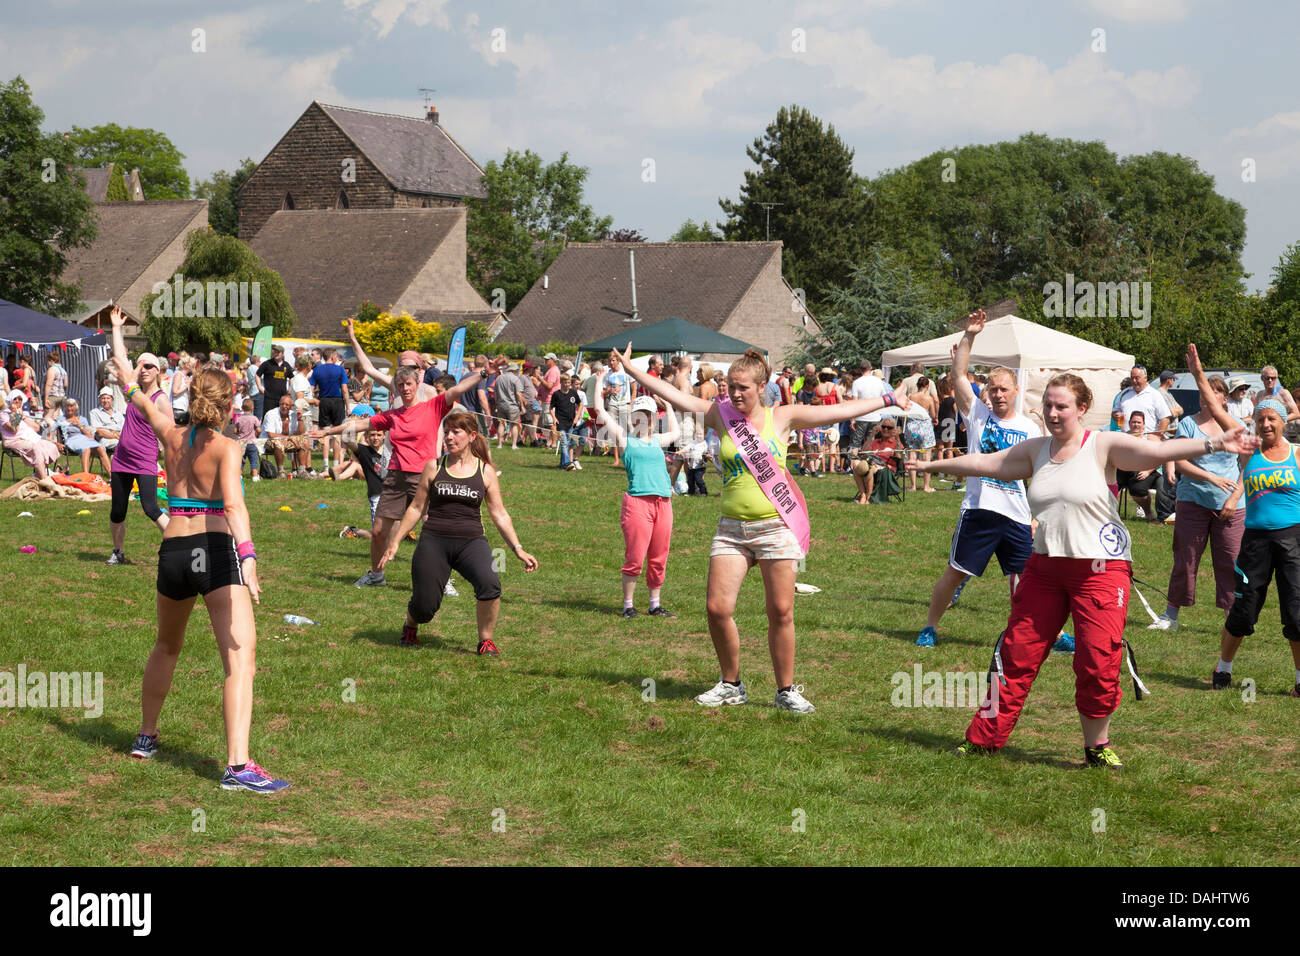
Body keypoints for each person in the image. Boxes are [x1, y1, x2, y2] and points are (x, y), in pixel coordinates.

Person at [908, 362, 1256, 766]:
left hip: (1101, 571)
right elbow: (987, 464)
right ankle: (983, 738)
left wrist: (1215, 444)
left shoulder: (1102, 445)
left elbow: (1160, 450)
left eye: (1062, 407)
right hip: (1044, 568)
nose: (1054, 414)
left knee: (1096, 660)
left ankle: (1097, 747)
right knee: (1016, 654)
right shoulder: (1036, 450)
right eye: (1049, 406)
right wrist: (930, 466)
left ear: (1082, 408)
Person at [618, 343, 910, 714]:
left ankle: (785, 690)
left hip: (776, 528)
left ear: (762, 387)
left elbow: (839, 410)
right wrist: (633, 371)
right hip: (731, 529)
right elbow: (675, 395)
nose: (734, 394)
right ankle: (731, 684)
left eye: (743, 388)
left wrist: (888, 397)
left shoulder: (783, 416)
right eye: (730, 386)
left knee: (781, 611)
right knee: (716, 608)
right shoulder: (721, 415)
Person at [108, 349, 289, 792]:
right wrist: (247, 557)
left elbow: (134, 392)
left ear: (192, 397)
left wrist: (116, 337)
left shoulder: (171, 435)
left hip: (173, 551)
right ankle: (238, 766)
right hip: (212, 550)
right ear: (228, 406)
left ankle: (145, 736)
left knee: (167, 646)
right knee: (239, 658)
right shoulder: (228, 447)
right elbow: (232, 505)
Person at [915, 310, 1042, 648]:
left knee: (1027, 579)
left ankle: (1046, 633)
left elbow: (1039, 477)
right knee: (956, 572)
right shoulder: (977, 415)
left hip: (1016, 514)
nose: (998, 394)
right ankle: (929, 627)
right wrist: (971, 335)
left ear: (1016, 391)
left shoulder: (1030, 429)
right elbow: (958, 376)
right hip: (980, 509)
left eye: (1004, 389)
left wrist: (1036, 517)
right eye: (993, 389)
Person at [312, 358, 487, 588]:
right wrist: (328, 432)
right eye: (401, 384)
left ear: (417, 385)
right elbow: (359, 426)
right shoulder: (392, 415)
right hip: (395, 477)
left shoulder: (432, 406)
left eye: (408, 384)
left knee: (434, 530)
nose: (405, 388)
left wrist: (483, 373)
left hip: (423, 476)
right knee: (378, 532)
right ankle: (376, 575)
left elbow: (459, 388)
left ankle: (443, 581)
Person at [1187, 347, 1300, 695]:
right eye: (1261, 418)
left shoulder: (1297, 454)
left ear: (1283, 422)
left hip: (1293, 539)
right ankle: (1223, 668)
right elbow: (1219, 412)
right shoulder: (1249, 447)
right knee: (1243, 611)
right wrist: (1198, 376)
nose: (1266, 423)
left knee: (1296, 612)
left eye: (1272, 419)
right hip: (1255, 541)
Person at [380, 411, 538, 652]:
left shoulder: (485, 471)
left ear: (472, 435)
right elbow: (416, 507)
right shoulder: (434, 466)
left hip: (471, 542)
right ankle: (411, 624)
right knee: (425, 607)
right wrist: (395, 542)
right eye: (447, 432)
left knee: (490, 584)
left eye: (456, 432)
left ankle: (485, 640)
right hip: (434, 540)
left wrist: (518, 549)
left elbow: (499, 513)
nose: (449, 437)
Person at [1148, 372, 1244, 631]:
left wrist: (1234, 498)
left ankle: (1231, 619)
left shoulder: (1235, 426)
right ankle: (1171, 616)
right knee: (1185, 558)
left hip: (1231, 506)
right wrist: (1210, 477)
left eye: (1212, 394)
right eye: (1203, 394)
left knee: (1230, 561)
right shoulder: (1188, 424)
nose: (1206, 399)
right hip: (1193, 501)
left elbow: (1249, 466)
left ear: (1224, 399)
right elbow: (1180, 460)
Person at [595, 368, 680, 619]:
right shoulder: (625, 438)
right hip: (637, 504)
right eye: (640, 415)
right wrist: (600, 381)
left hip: (663, 503)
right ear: (633, 418)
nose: (644, 419)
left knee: (659, 557)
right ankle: (628, 605)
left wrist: (670, 407)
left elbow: (675, 433)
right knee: (635, 557)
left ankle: (654, 604)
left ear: (654, 418)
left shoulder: (658, 440)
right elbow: (600, 410)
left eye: (649, 415)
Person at [105, 311, 170, 565]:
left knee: (151, 508)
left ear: (158, 372)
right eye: (140, 365)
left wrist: (169, 460)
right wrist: (116, 327)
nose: (143, 369)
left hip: (145, 461)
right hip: (121, 459)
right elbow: (121, 358)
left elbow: (170, 434)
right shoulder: (133, 392)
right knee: (117, 511)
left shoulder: (160, 399)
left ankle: (175, 547)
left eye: (149, 366)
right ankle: (118, 552)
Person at [1114, 411, 1166, 523]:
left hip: (1148, 469)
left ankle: (1148, 512)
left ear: (1143, 424)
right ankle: (1109, 513)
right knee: (1110, 484)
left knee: (1138, 489)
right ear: (1129, 423)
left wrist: (1147, 471)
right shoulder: (1123, 436)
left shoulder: (1150, 437)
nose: (1136, 424)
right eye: (1133, 422)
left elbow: (1160, 457)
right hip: (1125, 469)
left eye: (1138, 422)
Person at [336, 428, 388, 539]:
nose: (375, 438)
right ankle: (354, 531)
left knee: (392, 529)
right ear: (367, 436)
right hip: (376, 495)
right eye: (372, 435)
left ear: (384, 435)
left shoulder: (389, 452)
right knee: (378, 535)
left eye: (379, 434)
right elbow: (346, 438)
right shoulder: (364, 451)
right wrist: (354, 424)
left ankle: (402, 534)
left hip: (392, 495)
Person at [1, 389, 59, 479]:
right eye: (15, 399)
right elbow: (13, 430)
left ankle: (38, 473)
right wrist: (15, 414)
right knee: (35, 447)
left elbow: (36, 428)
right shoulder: (4, 414)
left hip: (27, 438)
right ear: (10, 400)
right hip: (13, 440)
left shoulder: (23, 414)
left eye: (20, 399)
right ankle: (44, 478)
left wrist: (23, 417)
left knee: (51, 446)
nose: (17, 401)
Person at [310, 348, 350, 472]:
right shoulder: (340, 369)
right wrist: (348, 406)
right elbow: (344, 390)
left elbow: (311, 388)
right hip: (337, 402)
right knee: (337, 434)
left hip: (324, 402)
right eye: (337, 356)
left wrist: (313, 400)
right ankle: (336, 464)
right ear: (333, 357)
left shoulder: (316, 370)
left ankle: (325, 465)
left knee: (325, 434)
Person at [56, 398, 113, 474]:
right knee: (86, 448)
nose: (69, 408)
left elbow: (90, 436)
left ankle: (111, 476)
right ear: (65, 407)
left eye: (72, 406)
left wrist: (79, 426)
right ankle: (86, 475)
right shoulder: (60, 419)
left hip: (86, 439)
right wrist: (57, 443)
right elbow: (52, 433)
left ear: (76, 407)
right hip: (72, 440)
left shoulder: (82, 419)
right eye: (67, 406)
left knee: (101, 448)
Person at [850, 420, 902, 504]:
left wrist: (898, 439)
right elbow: (864, 452)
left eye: (889, 428)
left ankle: (869, 497)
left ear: (893, 430)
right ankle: (863, 494)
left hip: (886, 467)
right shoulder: (876, 441)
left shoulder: (895, 443)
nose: (885, 429)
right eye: (883, 427)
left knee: (869, 467)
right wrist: (871, 435)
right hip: (872, 463)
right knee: (855, 463)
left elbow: (899, 458)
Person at [904, 376, 938, 493]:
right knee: (926, 457)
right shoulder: (929, 399)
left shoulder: (910, 397)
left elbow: (906, 410)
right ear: (927, 386)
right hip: (924, 427)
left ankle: (913, 486)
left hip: (912, 426)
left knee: (912, 456)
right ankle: (926, 486)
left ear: (917, 385)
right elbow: (933, 415)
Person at [262, 394, 311, 476]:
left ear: (291, 406)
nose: (284, 406)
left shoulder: (294, 414)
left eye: (286, 404)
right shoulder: (271, 414)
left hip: (287, 441)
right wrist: (289, 438)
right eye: (282, 404)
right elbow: (270, 434)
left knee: (304, 441)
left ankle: (302, 471)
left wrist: (299, 419)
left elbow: (301, 433)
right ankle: (281, 471)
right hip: (267, 441)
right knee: (279, 443)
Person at [845, 359, 887, 455]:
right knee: (870, 443)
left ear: (860, 370)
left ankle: (854, 466)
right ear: (870, 368)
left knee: (855, 444)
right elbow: (884, 399)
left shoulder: (857, 382)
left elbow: (854, 403)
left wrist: (852, 420)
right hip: (875, 417)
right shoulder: (879, 382)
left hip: (861, 416)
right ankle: (869, 465)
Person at [552, 372, 586, 471]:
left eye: (568, 382)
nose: (567, 384)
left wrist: (576, 418)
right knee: (564, 443)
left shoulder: (573, 393)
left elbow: (580, 405)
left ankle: (562, 463)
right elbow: (551, 408)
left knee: (567, 443)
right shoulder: (556, 394)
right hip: (560, 422)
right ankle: (567, 463)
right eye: (565, 382)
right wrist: (554, 418)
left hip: (571, 422)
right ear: (561, 383)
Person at [233, 398, 262, 480]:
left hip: (241, 443)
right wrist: (257, 435)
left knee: (240, 460)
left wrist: (239, 433)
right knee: (253, 460)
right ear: (252, 408)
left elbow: (235, 431)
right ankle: (255, 476)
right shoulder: (254, 418)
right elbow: (259, 430)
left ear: (242, 408)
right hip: (251, 442)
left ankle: (239, 475)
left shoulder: (239, 419)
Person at [90, 386, 124, 452]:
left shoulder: (118, 413)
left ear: (112, 399)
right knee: (120, 445)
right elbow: (100, 432)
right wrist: (116, 435)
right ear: (99, 399)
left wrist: (109, 430)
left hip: (120, 439)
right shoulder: (95, 412)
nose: (105, 401)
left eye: (108, 398)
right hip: (105, 440)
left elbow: (124, 429)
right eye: (103, 398)